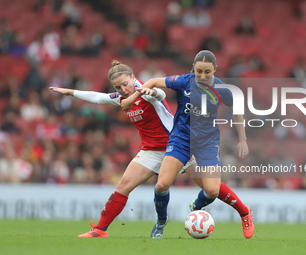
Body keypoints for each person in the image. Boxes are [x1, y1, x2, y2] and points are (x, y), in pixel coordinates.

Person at [49, 60, 194, 238]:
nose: (123, 90)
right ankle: (100, 230)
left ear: (133, 78)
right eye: (118, 87)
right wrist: (70, 92)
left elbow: (160, 94)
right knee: (123, 186)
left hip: (176, 146)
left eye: (125, 84)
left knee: (212, 187)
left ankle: (240, 212)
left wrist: (153, 91)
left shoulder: (144, 91)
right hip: (151, 151)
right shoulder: (121, 97)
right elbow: (98, 97)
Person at [122, 50, 255, 239]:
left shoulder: (223, 89)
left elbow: (238, 111)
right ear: (193, 67)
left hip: (207, 143)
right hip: (181, 139)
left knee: (212, 190)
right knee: (162, 185)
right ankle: (161, 222)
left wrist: (243, 139)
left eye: (207, 72)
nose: (202, 75)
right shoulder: (183, 81)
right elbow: (151, 82)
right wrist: (130, 99)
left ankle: (200, 207)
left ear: (215, 70)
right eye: (199, 71)